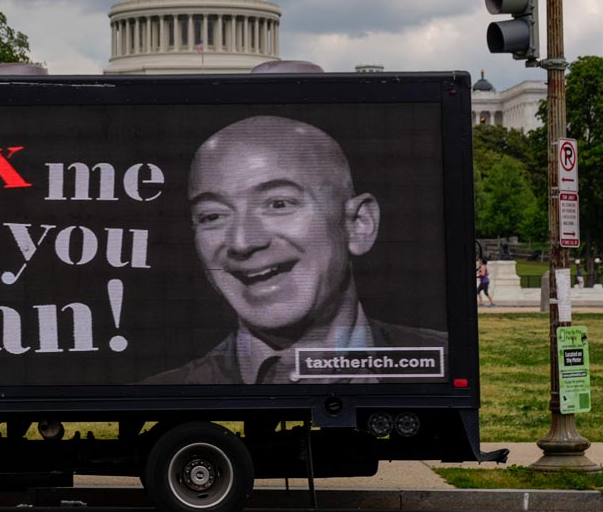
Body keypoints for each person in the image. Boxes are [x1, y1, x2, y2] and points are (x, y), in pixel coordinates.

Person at [147, 115, 445, 384]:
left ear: (359, 224)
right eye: (212, 216)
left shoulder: (443, 359)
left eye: (278, 204)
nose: (242, 242)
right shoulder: (168, 389)